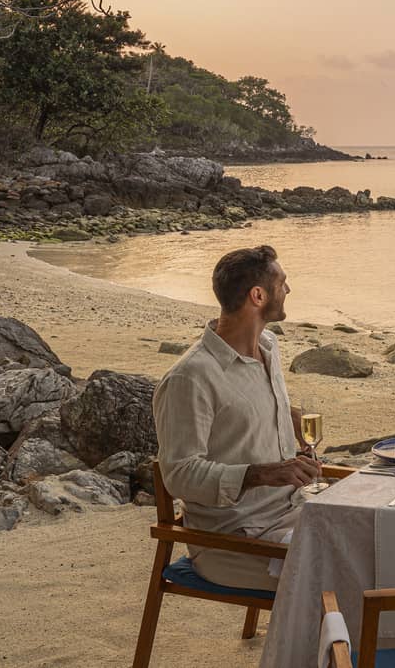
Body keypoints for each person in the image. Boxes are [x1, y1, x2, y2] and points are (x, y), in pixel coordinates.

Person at [152, 245, 319, 591]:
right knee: (349, 570)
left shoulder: (268, 347)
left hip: (292, 512)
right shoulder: (191, 377)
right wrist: (265, 473)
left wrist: (292, 435)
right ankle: (330, 645)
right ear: (258, 295)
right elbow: (180, 475)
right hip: (233, 541)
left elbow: (248, 414)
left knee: (380, 535)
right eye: (282, 283)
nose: (288, 290)